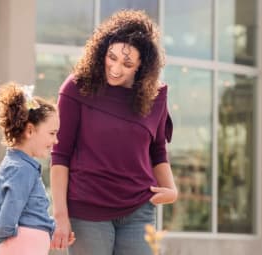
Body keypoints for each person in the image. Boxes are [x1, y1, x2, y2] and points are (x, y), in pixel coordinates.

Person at [50, 10, 178, 255]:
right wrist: (60, 216)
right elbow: (60, 155)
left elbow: (158, 150)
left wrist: (171, 190)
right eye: (112, 57)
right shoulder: (77, 88)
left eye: (127, 63)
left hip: (139, 211)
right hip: (87, 211)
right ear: (102, 52)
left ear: (142, 66)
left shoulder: (155, 97)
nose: (116, 68)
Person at [0, 83, 73, 255]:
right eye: (52, 133)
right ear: (30, 131)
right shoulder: (21, 169)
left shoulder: (23, 167)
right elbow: (7, 220)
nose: (56, 141)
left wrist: (49, 230)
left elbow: (29, 214)